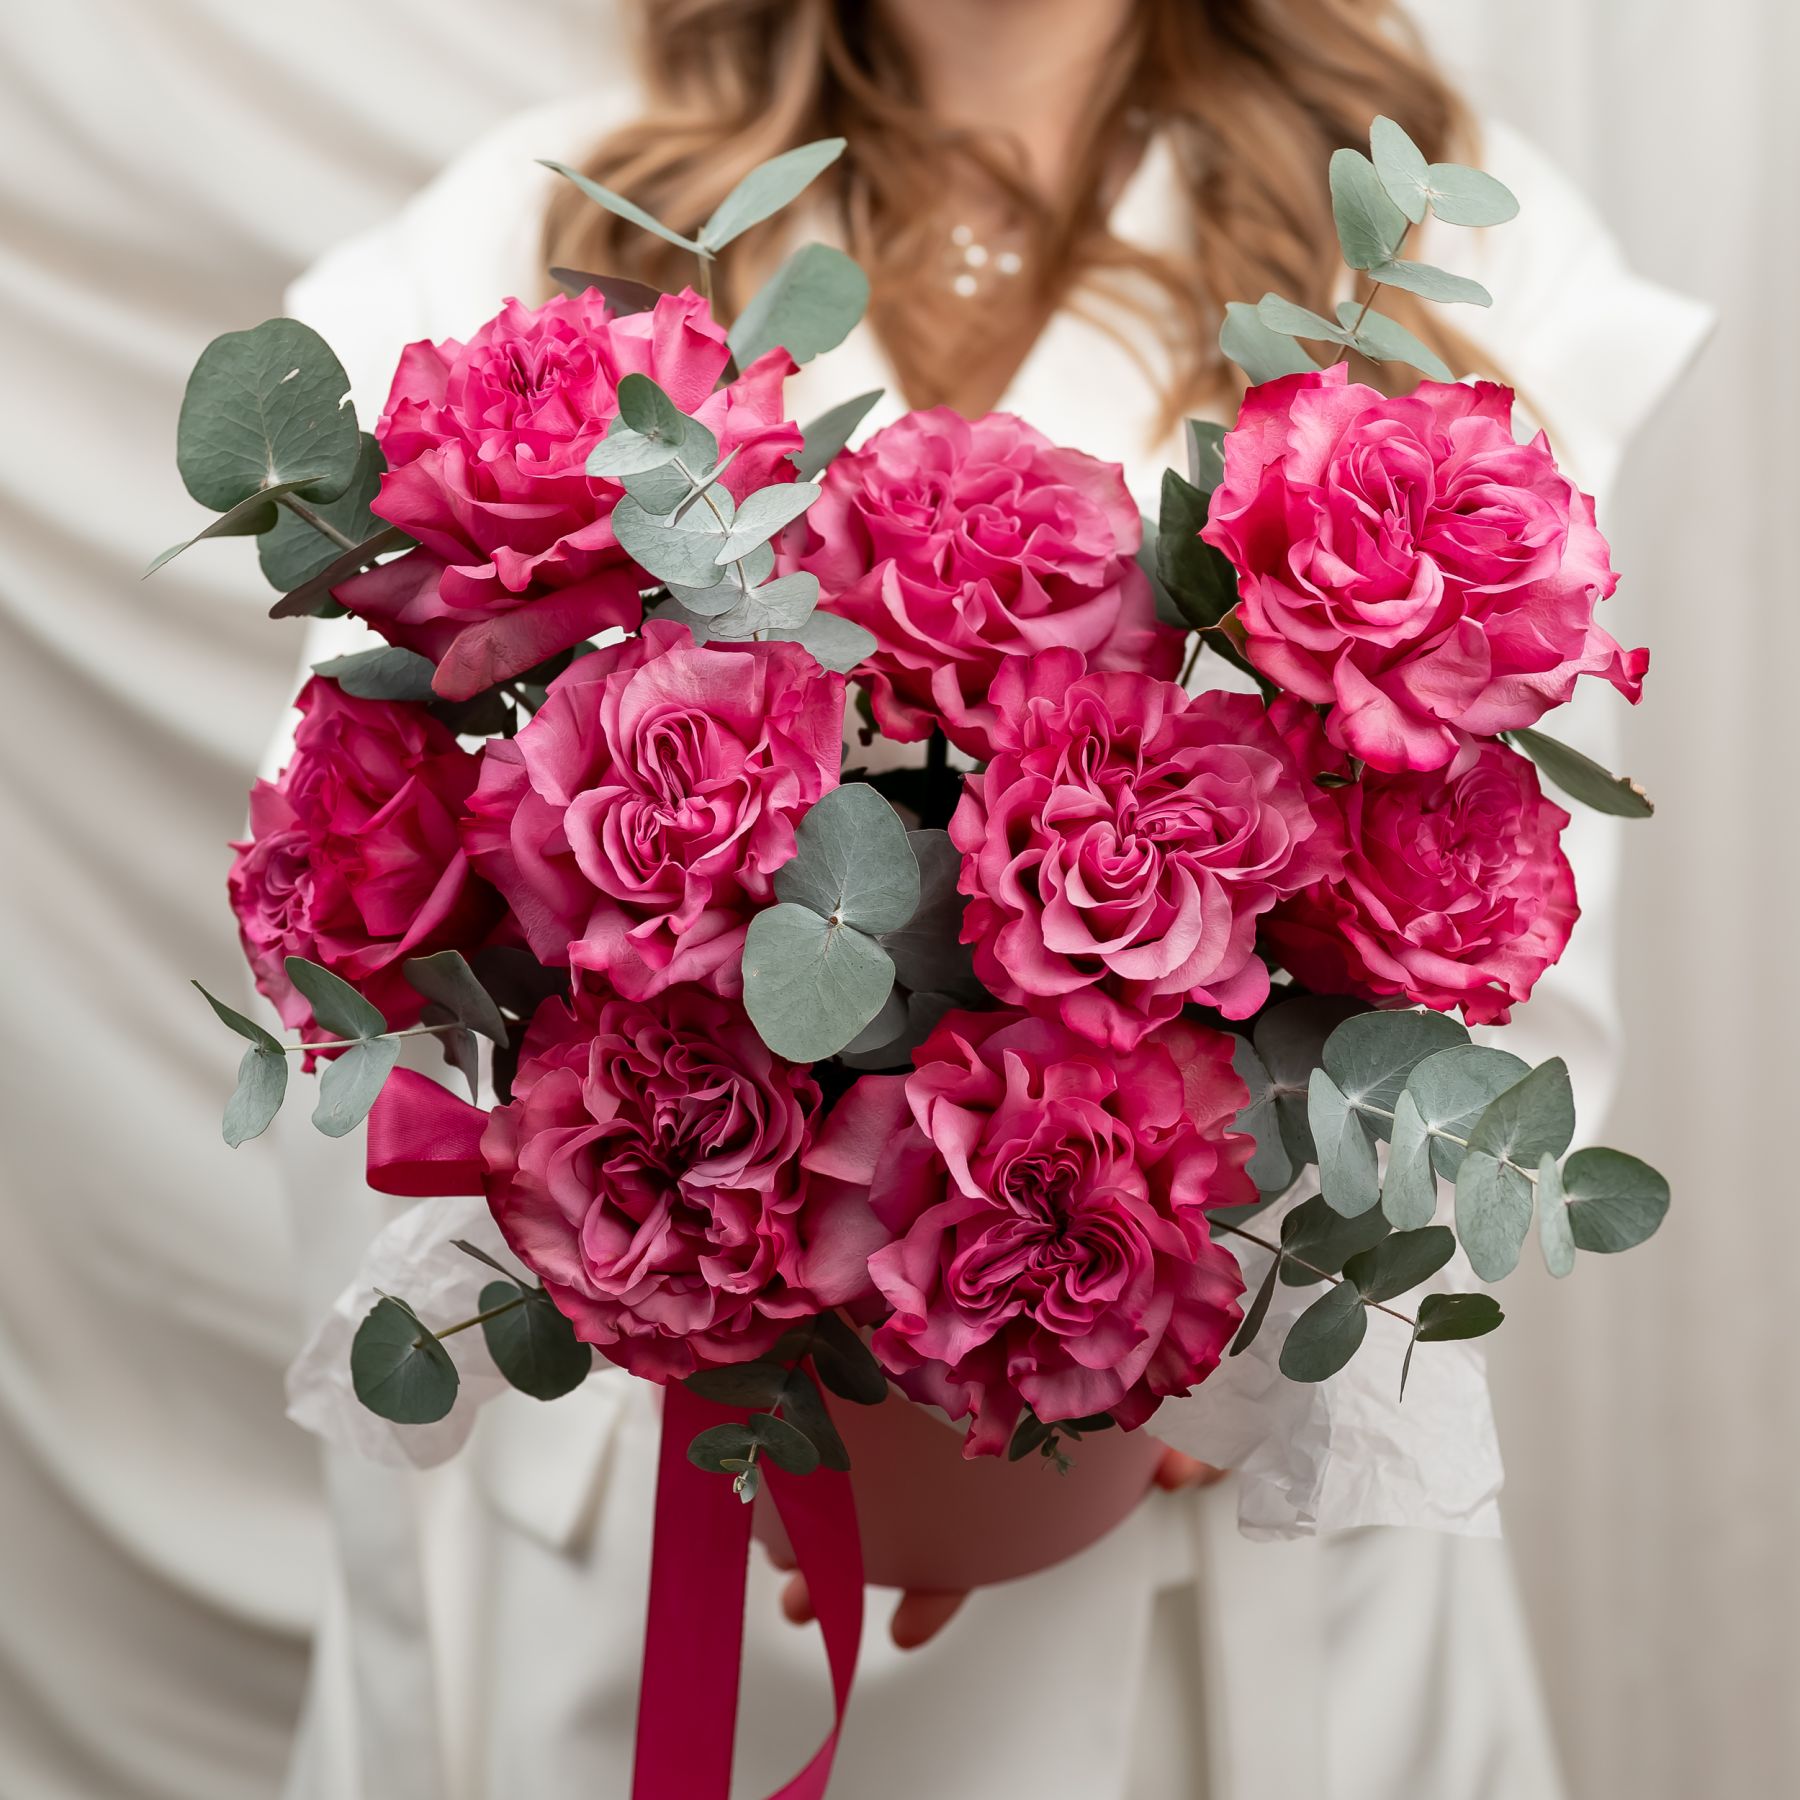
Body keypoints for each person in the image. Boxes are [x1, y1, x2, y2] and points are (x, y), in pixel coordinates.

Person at [275, 2, 1710, 1795]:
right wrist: (711, 1307)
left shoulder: (1448, 239)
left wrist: (1186, 1374)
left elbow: (1510, 942)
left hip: (1192, 1547)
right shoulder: (537, 226)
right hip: (664, 1504)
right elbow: (365, 887)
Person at [0, 9, 627, 1797]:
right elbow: (352, 817)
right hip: (646, 1446)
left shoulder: (1365, 259)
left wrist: (1226, 1338)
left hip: (1151, 1451)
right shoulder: (554, 214)